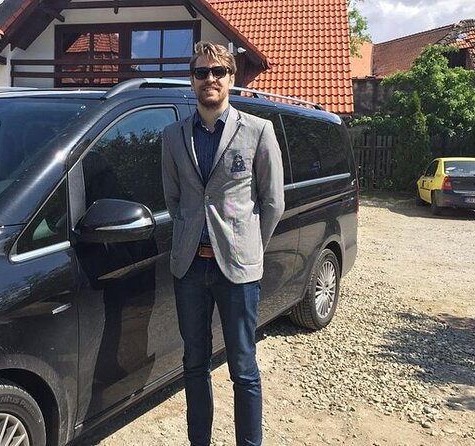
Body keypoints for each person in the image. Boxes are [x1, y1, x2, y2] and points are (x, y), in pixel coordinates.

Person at [161, 41, 285, 446]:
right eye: (201, 72)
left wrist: (250, 246)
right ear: (192, 79)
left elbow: (272, 202)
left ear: (231, 78)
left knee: (243, 368)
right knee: (194, 364)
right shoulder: (173, 136)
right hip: (190, 269)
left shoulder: (257, 130)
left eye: (217, 71)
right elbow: (174, 199)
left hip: (238, 270)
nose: (209, 79)